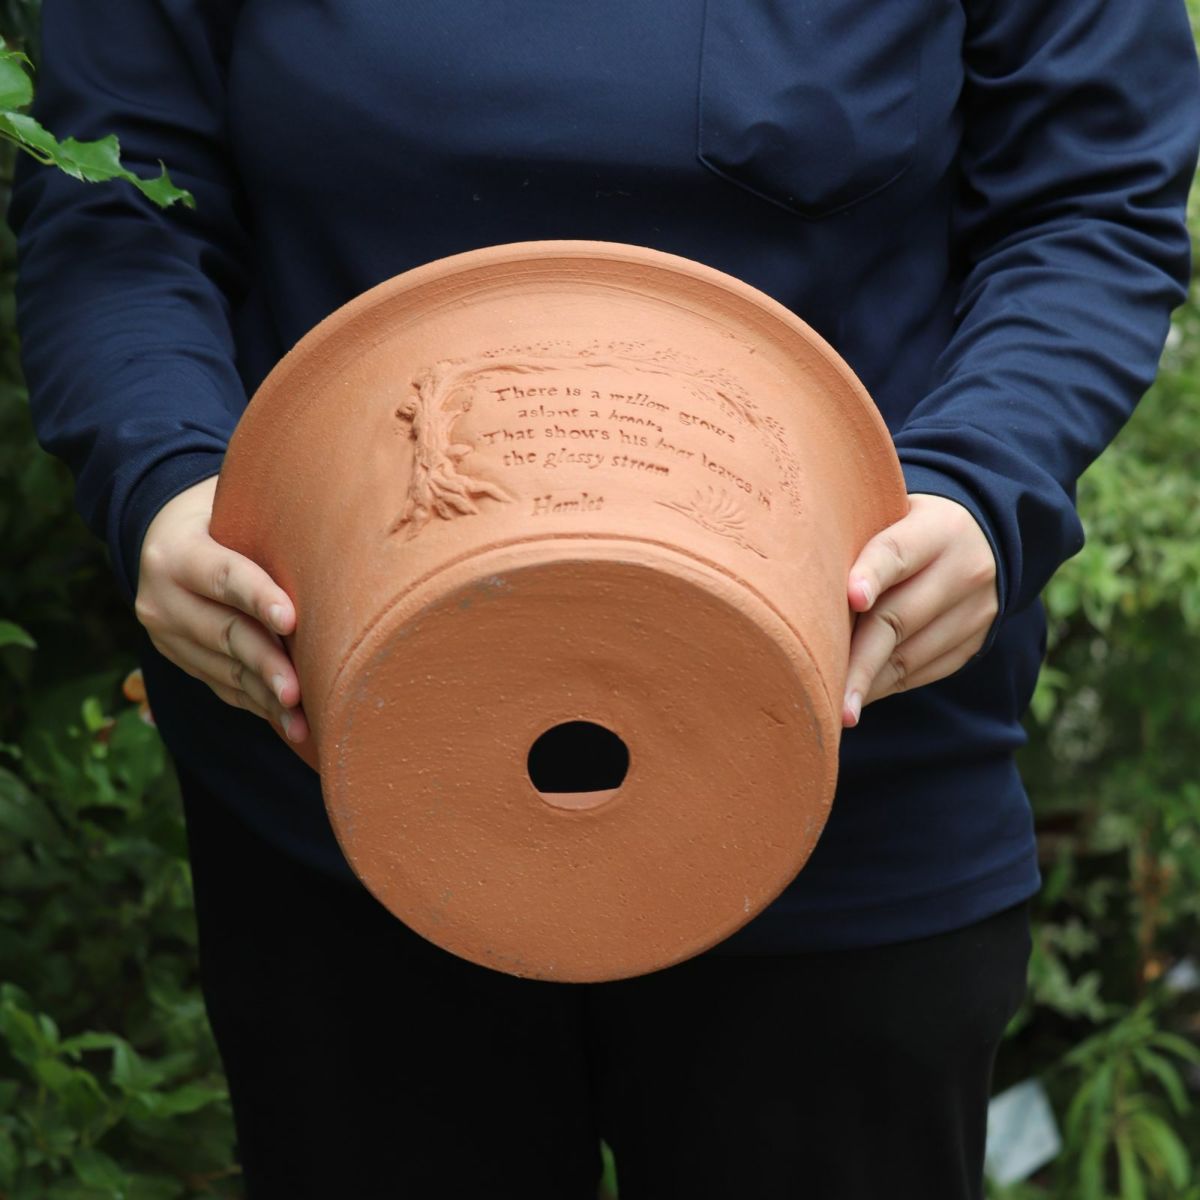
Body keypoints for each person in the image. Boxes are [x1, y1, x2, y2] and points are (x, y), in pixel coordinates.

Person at [10, 2, 1199, 1197]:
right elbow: (116, 203)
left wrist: (983, 480)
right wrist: (165, 477)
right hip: (340, 766)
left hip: (848, 756)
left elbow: (1088, 199)